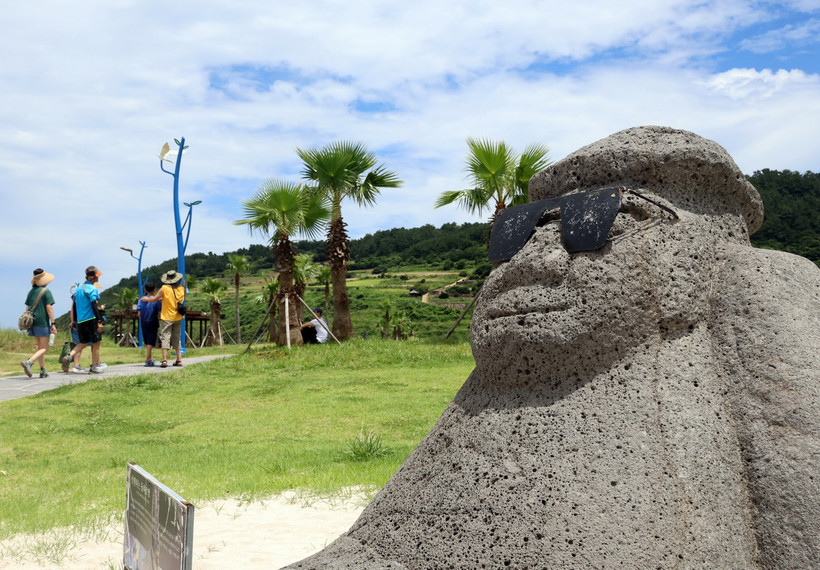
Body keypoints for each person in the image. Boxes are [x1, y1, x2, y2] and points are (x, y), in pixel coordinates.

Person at [286, 127, 819, 569]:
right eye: (522, 228)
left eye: (607, 219)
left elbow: (796, 498)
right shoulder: (495, 385)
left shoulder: (751, 294)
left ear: (692, 257)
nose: (539, 253)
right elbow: (377, 546)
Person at [62, 266, 106, 374]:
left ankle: (69, 357)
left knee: (82, 343)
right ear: (94, 277)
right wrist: (99, 321)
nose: (98, 278)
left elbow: (75, 305)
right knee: (96, 343)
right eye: (97, 276)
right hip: (91, 320)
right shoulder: (92, 289)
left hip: (81, 321)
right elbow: (94, 306)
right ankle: (96, 365)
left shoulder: (78, 289)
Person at [139, 270, 185, 368]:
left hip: (167, 317)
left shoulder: (164, 288)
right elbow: (175, 299)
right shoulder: (181, 289)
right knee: (177, 338)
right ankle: (179, 360)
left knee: (165, 337)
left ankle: (164, 360)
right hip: (178, 317)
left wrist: (146, 299)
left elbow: (153, 299)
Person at [20, 268, 57, 378]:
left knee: (40, 348)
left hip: (32, 322)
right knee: (44, 348)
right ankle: (29, 362)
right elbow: (49, 308)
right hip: (42, 322)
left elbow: (27, 308)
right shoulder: (46, 291)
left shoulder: (31, 292)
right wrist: (53, 323)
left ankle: (43, 370)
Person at [136, 281, 161, 366]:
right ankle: (148, 359)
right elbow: (159, 312)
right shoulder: (156, 301)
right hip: (153, 321)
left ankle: (150, 358)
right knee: (151, 341)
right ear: (154, 290)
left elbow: (139, 314)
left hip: (143, 322)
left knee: (147, 340)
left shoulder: (141, 300)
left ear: (145, 290)